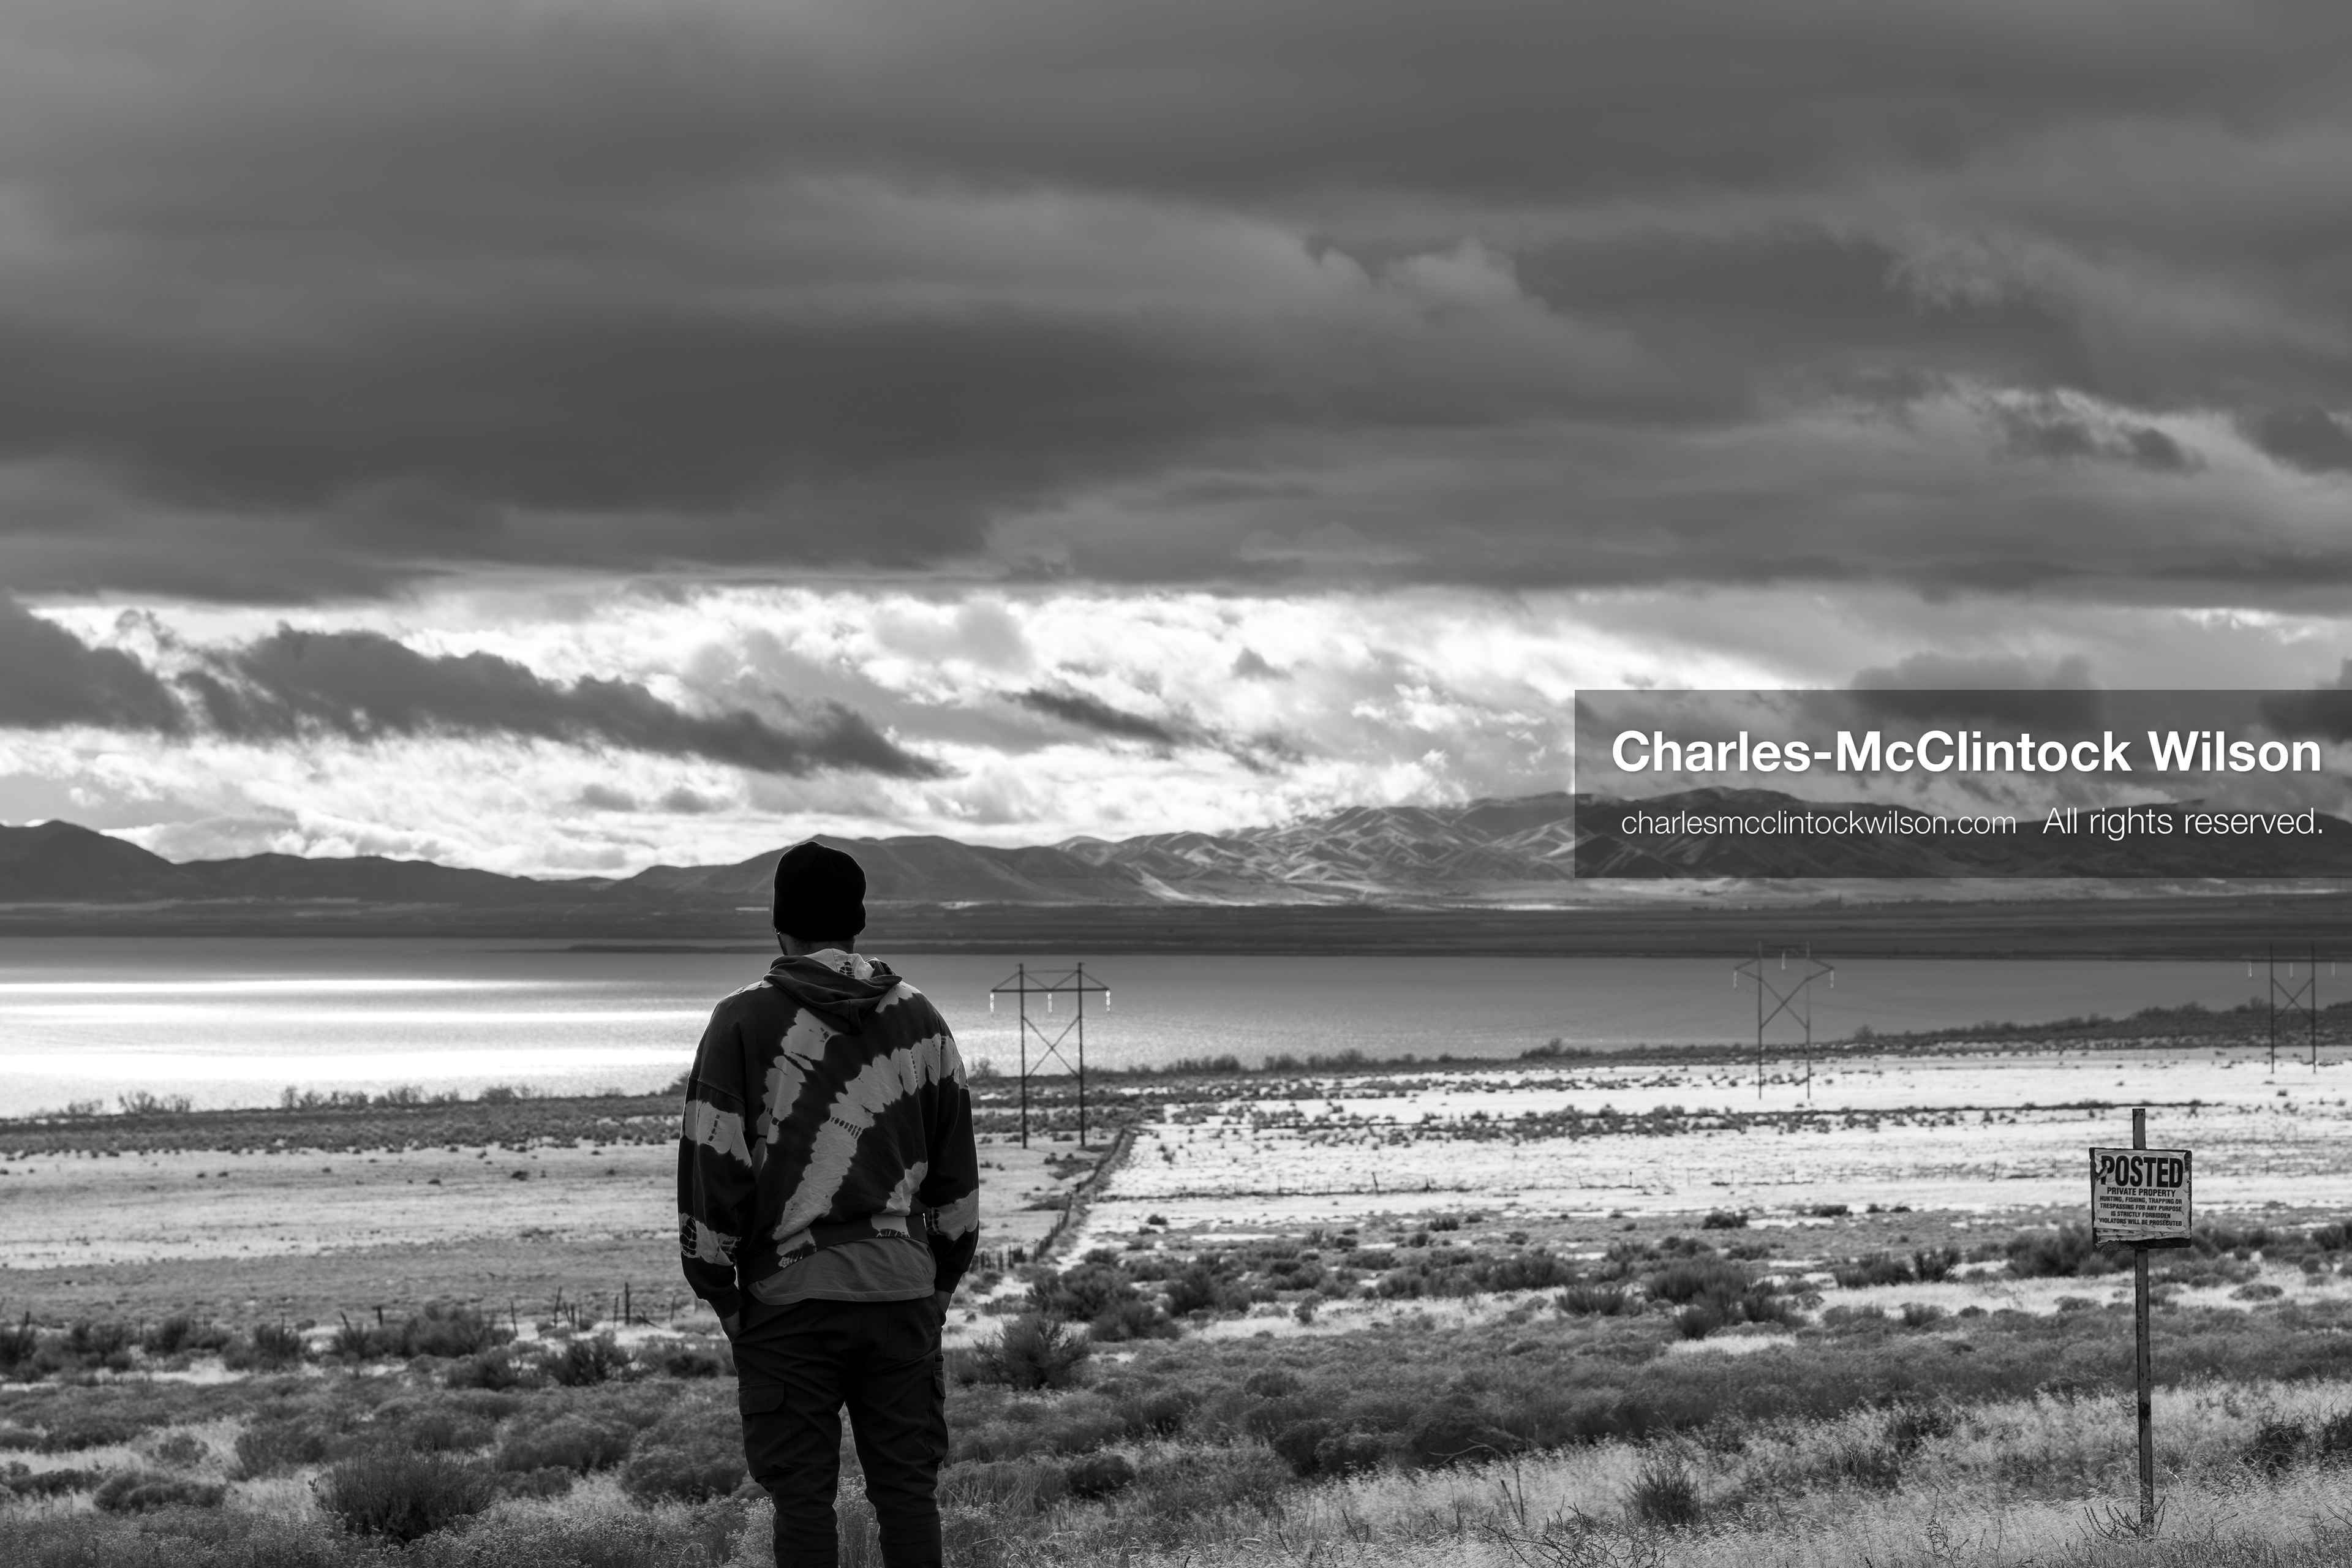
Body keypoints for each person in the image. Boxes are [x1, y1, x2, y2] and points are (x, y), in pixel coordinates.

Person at [677, 840, 980, 1568]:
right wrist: (940, 1284)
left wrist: (723, 1296)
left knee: (803, 1500)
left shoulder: (741, 1020)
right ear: (857, 921)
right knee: (908, 1492)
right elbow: (957, 1179)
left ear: (779, 923)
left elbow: (712, 1165)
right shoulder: (923, 1020)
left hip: (787, 1302)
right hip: (902, 1290)